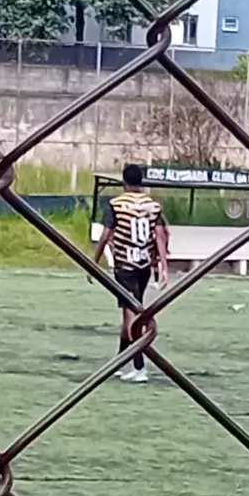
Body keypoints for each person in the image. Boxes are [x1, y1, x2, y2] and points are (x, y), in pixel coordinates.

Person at [90, 163, 168, 384]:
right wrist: (163, 266)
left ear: (123, 182)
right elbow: (160, 235)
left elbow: (106, 235)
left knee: (131, 316)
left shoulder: (116, 204)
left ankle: (139, 366)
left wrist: (94, 262)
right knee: (131, 312)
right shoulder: (153, 206)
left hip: (125, 265)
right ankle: (119, 361)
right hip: (144, 266)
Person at [151, 215, 170, 288]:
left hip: (155, 241)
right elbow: (167, 232)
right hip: (161, 241)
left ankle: (158, 280)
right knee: (162, 260)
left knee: (155, 261)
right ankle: (163, 277)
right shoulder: (162, 218)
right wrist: (166, 246)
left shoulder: (152, 217)